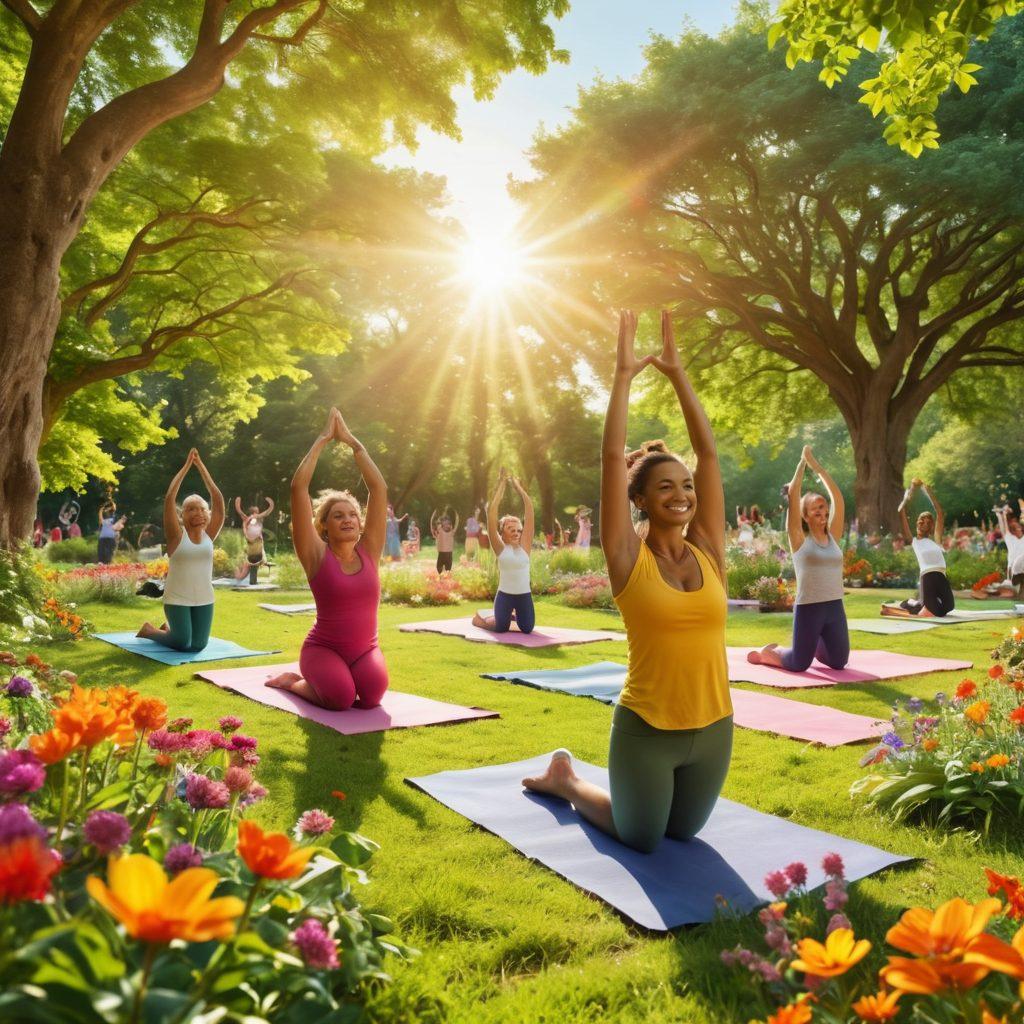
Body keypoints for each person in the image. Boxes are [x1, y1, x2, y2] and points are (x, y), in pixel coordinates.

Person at [523, 310, 731, 853]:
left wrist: (678, 375)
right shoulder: (626, 558)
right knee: (642, 837)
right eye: (665, 487)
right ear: (639, 498)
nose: (681, 495)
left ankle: (623, 791)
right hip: (648, 729)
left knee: (682, 831)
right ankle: (567, 781)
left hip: (714, 727)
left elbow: (708, 454)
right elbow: (612, 455)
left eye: (686, 485)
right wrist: (622, 377)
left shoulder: (709, 550)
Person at [266, 407, 389, 711]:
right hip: (323, 650)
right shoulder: (316, 554)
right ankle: (293, 682)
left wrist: (353, 443)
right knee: (340, 699)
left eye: (352, 515)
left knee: (372, 697)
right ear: (324, 525)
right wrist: (322, 439)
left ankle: (343, 678)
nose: (347, 519)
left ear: (360, 522)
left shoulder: (370, 550)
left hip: (365, 650)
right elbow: (298, 488)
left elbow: (379, 488)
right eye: (338, 516)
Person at [747, 447, 849, 671]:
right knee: (798, 664)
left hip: (834, 607)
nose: (822, 515)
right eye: (816, 511)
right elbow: (794, 493)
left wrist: (817, 466)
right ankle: (770, 652)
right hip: (809, 608)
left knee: (839, 662)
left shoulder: (833, 537)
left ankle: (815, 643)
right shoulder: (799, 540)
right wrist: (803, 462)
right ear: (805, 515)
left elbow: (838, 498)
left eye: (824, 511)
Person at [136, 450, 224, 651]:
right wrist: (186, 466)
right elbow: (170, 497)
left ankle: (168, 629)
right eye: (191, 509)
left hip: (204, 597)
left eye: (202, 509)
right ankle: (149, 631)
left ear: (208, 514)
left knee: (198, 646)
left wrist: (201, 466)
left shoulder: (209, 535)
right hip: (177, 597)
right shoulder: (176, 537)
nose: (198, 512)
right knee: (183, 642)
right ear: (182, 515)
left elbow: (217, 499)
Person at [472, 470, 535, 634]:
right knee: (500, 628)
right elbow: (492, 513)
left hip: (524, 595)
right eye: (510, 529)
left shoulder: (525, 546)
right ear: (503, 533)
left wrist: (518, 487)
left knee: (527, 628)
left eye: (518, 530)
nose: (516, 532)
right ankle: (481, 619)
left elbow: (529, 510)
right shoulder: (500, 547)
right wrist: (501, 484)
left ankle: (510, 616)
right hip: (505, 595)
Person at [882, 479, 955, 617]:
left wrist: (929, 493)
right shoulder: (914, 541)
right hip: (927, 577)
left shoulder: (936, 540)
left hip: (941, 576)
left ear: (931, 526)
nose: (924, 523)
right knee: (935, 611)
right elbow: (900, 511)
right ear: (917, 524)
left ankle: (914, 603)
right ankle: (905, 606)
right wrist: (908, 495)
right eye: (922, 521)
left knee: (949, 607)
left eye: (928, 522)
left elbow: (940, 513)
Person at [234, 496, 274, 586]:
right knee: (242, 571)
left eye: (257, 512)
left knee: (250, 565)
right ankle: (238, 576)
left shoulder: (259, 519)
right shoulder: (247, 520)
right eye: (255, 512)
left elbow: (266, 512)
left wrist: (271, 504)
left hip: (258, 549)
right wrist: (237, 503)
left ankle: (243, 577)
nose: (256, 513)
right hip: (250, 548)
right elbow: (240, 512)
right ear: (251, 513)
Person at [994, 500, 1024, 599]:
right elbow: (1004, 527)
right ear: (1013, 531)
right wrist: (1002, 515)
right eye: (1016, 528)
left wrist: (1022, 510)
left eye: (1019, 527)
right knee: (1014, 592)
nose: (1019, 529)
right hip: (1013, 569)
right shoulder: (1010, 539)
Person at [430, 509, 459, 573]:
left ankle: (443, 576)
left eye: (448, 523)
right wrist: (432, 517)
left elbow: (432, 526)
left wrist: (433, 517)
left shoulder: (450, 531)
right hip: (444, 554)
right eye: (445, 523)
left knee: (445, 570)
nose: (447, 525)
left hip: (446, 554)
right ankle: (443, 576)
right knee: (442, 570)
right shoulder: (441, 530)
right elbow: (432, 527)